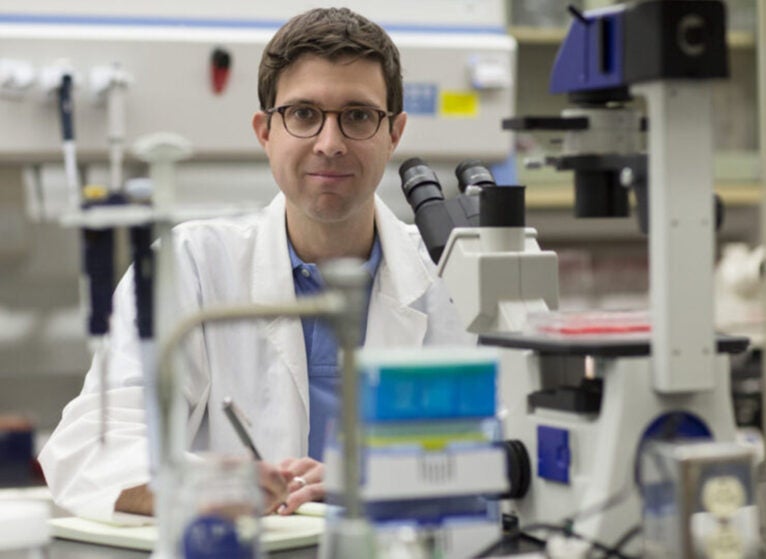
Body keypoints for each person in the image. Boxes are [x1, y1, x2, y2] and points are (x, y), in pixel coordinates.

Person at [39, 7, 473, 521]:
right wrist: (212, 485)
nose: (330, 143)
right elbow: (92, 446)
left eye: (358, 116)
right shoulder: (189, 266)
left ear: (394, 133)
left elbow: (512, 452)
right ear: (265, 131)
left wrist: (381, 480)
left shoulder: (455, 274)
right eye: (304, 114)